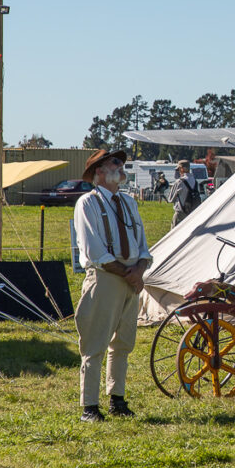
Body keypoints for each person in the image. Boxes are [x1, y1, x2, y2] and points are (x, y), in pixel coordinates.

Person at [73, 149, 152, 423]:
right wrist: (128, 273)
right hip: (106, 277)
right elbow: (94, 249)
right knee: (95, 343)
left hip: (131, 278)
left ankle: (117, 399)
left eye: (121, 163)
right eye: (114, 163)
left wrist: (139, 270)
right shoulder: (87, 203)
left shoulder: (129, 202)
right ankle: (89, 407)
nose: (121, 167)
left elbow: (142, 244)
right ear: (99, 172)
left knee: (123, 344)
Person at [167, 159, 198, 228]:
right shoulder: (195, 181)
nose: (178, 171)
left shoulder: (179, 182)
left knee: (174, 235)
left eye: (179, 169)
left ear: (182, 169)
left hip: (180, 214)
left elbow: (170, 199)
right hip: (192, 214)